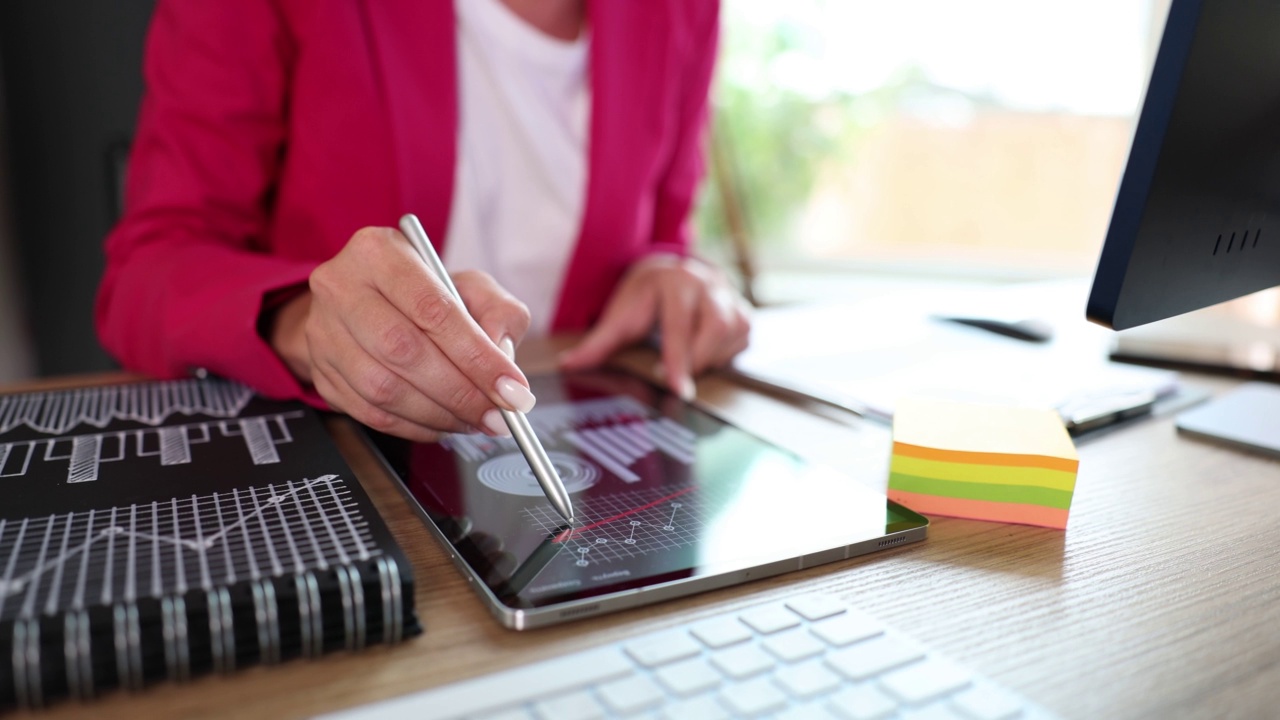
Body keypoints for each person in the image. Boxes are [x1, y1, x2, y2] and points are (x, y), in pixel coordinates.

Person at [95, 0, 750, 443]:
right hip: (344, 468)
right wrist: (301, 320)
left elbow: (665, 235)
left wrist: (673, 277)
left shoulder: (687, 12)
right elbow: (150, 268)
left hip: (586, 475)